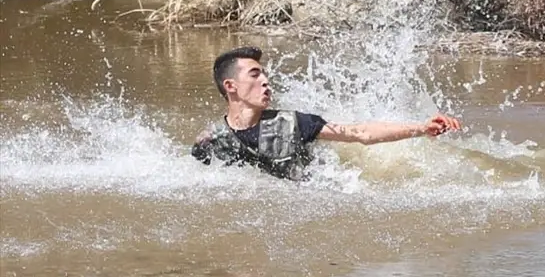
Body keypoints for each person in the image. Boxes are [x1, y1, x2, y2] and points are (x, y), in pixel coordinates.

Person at [190, 46, 462, 180]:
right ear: (231, 86)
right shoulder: (212, 141)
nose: (265, 80)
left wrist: (421, 128)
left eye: (264, 73)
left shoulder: (296, 123)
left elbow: (360, 133)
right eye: (255, 74)